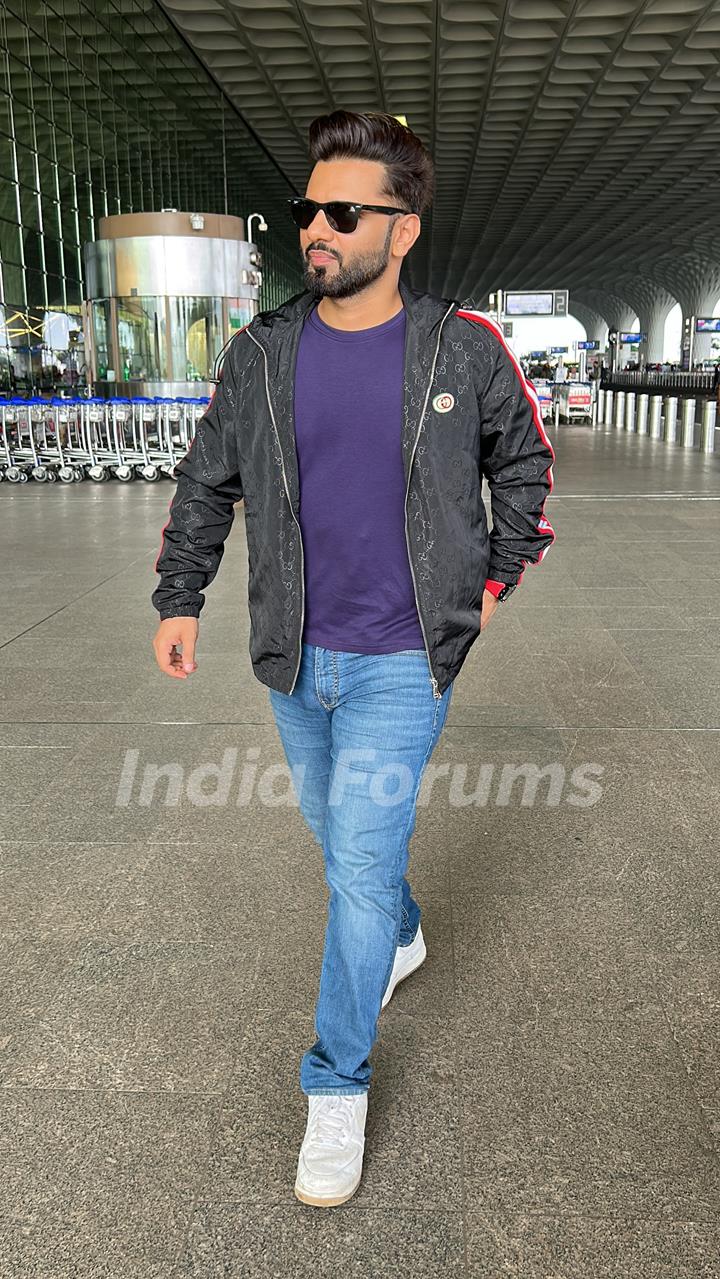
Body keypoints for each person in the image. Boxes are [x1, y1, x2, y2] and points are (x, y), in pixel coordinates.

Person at [151, 109, 555, 1209]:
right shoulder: (264, 350)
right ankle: (405, 932)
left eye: (341, 213)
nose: (315, 232)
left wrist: (489, 581)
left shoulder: (460, 348)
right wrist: (177, 597)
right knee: (346, 848)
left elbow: (524, 463)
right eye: (307, 211)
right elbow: (206, 483)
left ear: (403, 229)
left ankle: (336, 1083)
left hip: (401, 663)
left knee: (358, 867)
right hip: (294, 658)